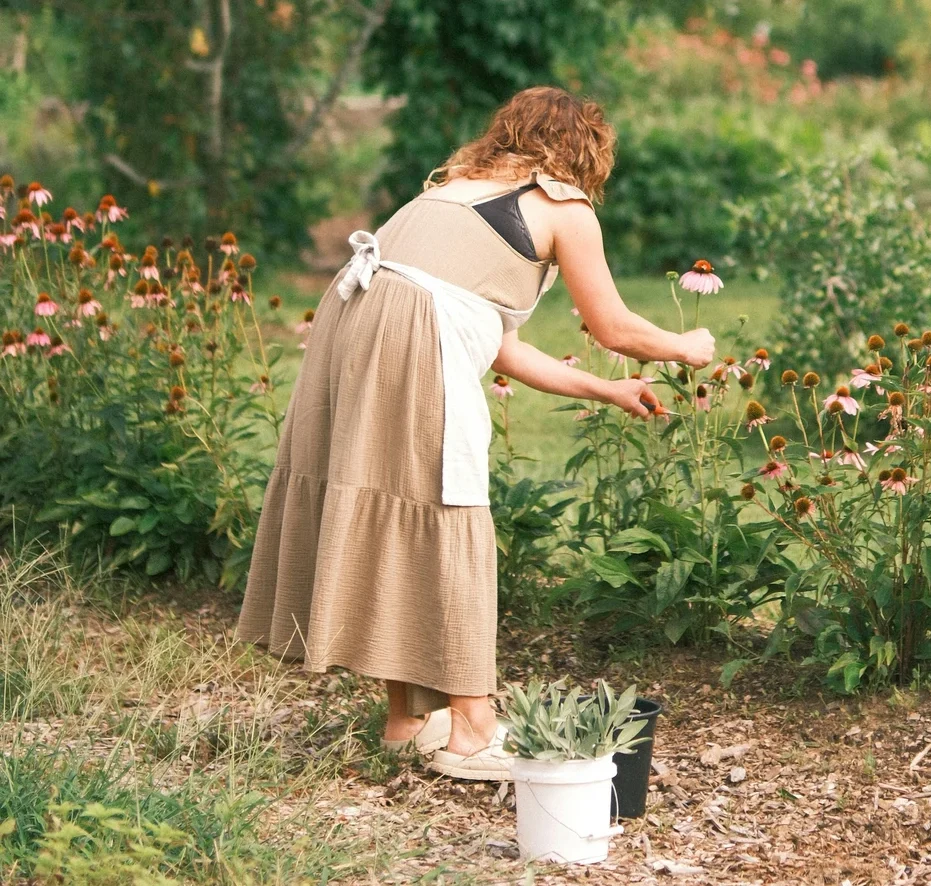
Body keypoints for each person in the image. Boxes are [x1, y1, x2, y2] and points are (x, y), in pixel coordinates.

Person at [234, 86, 715, 781]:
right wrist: (684, 345)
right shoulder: (562, 206)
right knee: (447, 507)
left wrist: (606, 388)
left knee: (397, 505)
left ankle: (407, 721)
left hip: (356, 323)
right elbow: (611, 326)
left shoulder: (452, 190)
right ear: (587, 150)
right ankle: (470, 728)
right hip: (408, 334)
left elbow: (497, 341)